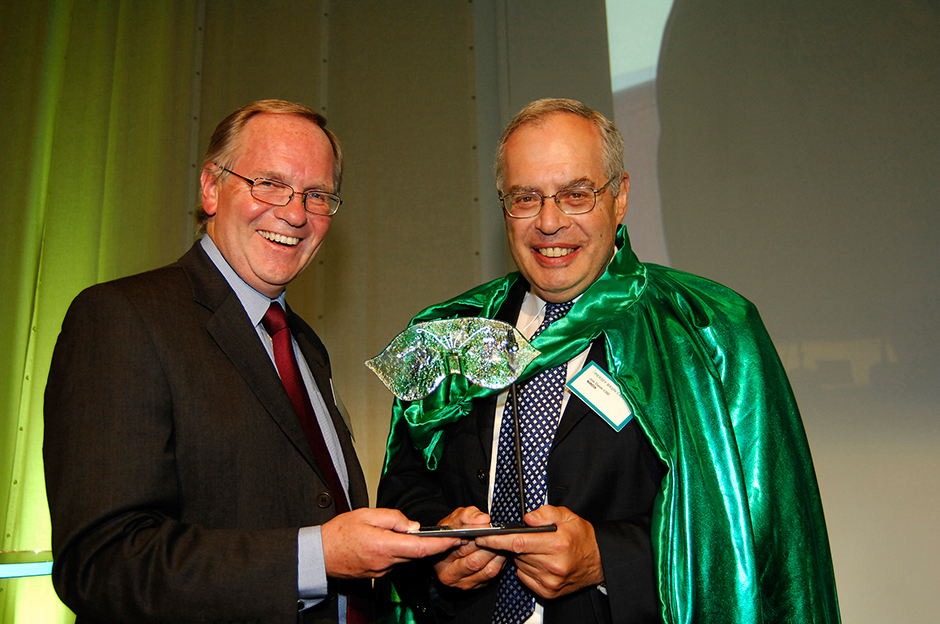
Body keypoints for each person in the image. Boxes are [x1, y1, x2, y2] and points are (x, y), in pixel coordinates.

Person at [376, 99, 840, 623]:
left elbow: (760, 533)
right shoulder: (446, 332)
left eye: (576, 194)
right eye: (526, 198)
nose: (549, 223)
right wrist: (440, 548)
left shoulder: (709, 331)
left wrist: (607, 560)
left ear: (619, 198)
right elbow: (401, 490)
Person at [43, 99, 458, 624]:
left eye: (317, 195)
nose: (294, 213)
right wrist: (315, 558)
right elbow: (102, 564)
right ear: (211, 188)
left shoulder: (304, 345)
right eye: (269, 183)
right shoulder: (121, 318)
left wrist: (438, 551)